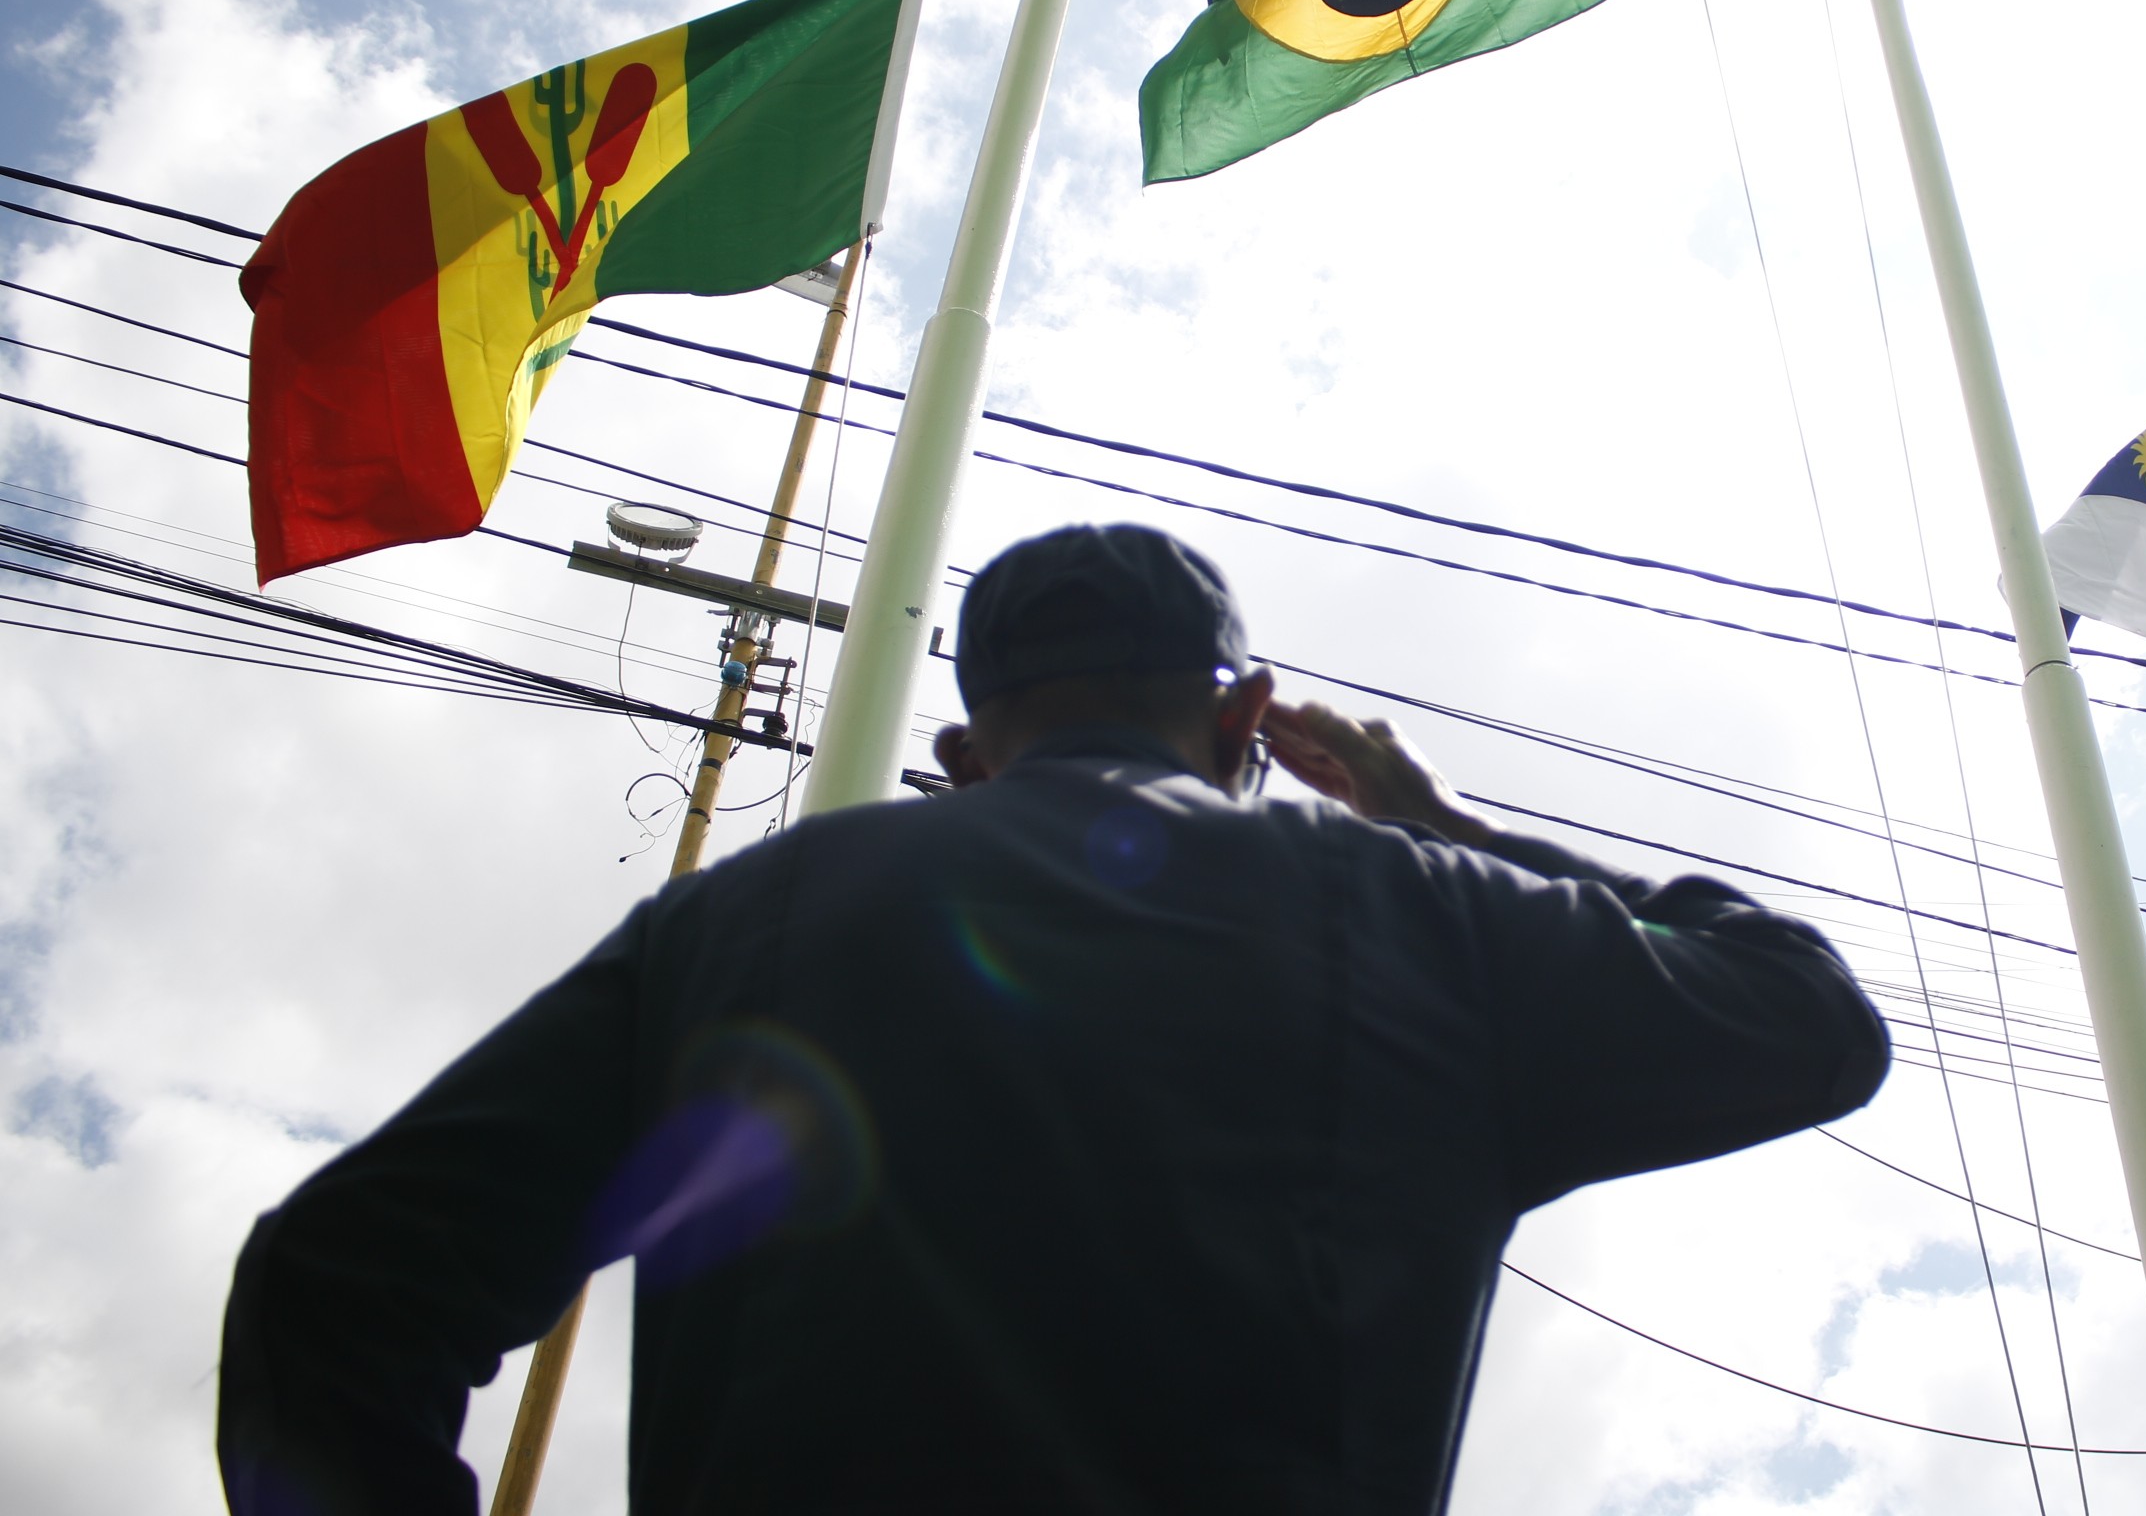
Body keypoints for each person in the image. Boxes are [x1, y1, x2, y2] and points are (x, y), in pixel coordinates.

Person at [218, 523, 1891, 1515]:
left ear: (964, 747)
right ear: (1245, 714)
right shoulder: (1425, 916)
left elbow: (340, 1285)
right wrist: (1436, 824)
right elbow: (1808, 1019)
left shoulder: (751, 919)